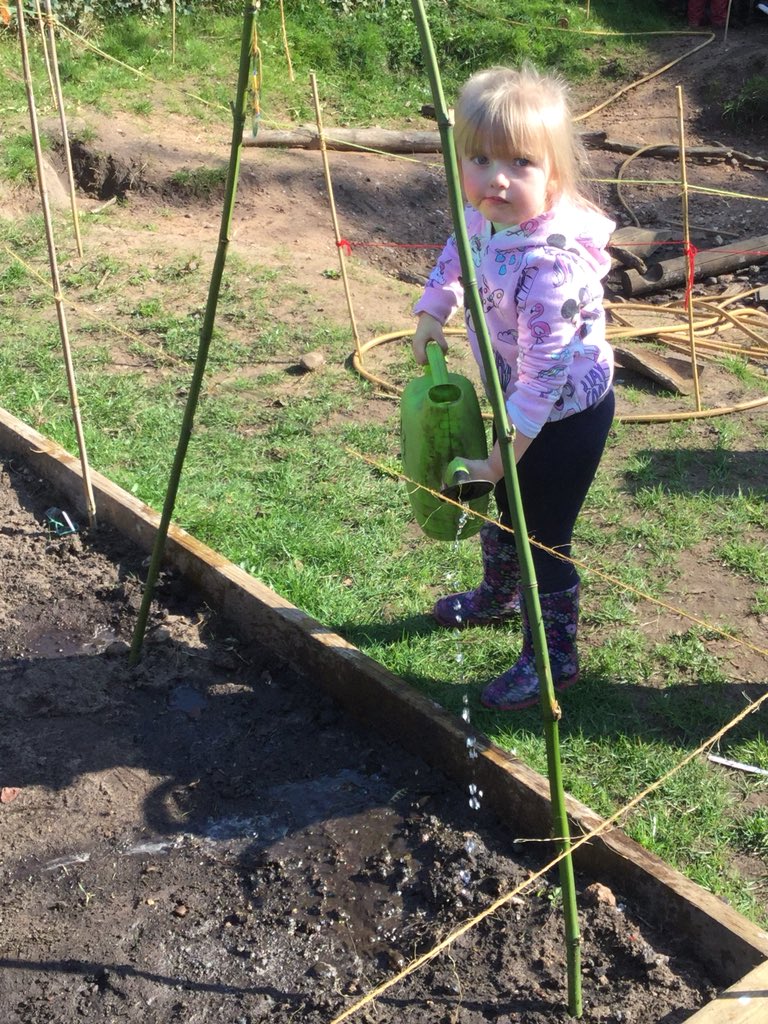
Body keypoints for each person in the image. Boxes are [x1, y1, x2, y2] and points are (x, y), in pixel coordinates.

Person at [411, 64, 615, 712]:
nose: (497, 177)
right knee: (506, 505)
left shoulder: (551, 265)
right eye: (480, 158)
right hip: (517, 397)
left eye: (520, 163)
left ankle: (553, 660)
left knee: (541, 534)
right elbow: (456, 252)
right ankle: (498, 597)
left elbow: (544, 381)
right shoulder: (484, 218)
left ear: (554, 175)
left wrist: (499, 458)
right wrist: (431, 309)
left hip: (563, 414)